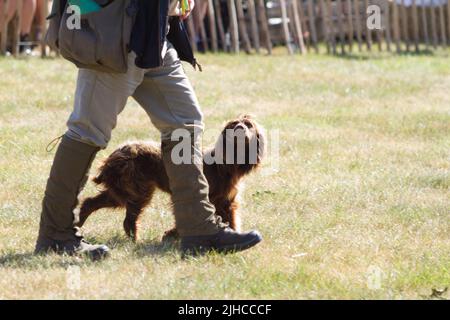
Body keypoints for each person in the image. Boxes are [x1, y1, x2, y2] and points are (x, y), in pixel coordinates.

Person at [35, 0, 262, 260]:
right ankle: (55, 234)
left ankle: (198, 228)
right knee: (87, 131)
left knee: (184, 122)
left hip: (155, 33)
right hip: (117, 32)